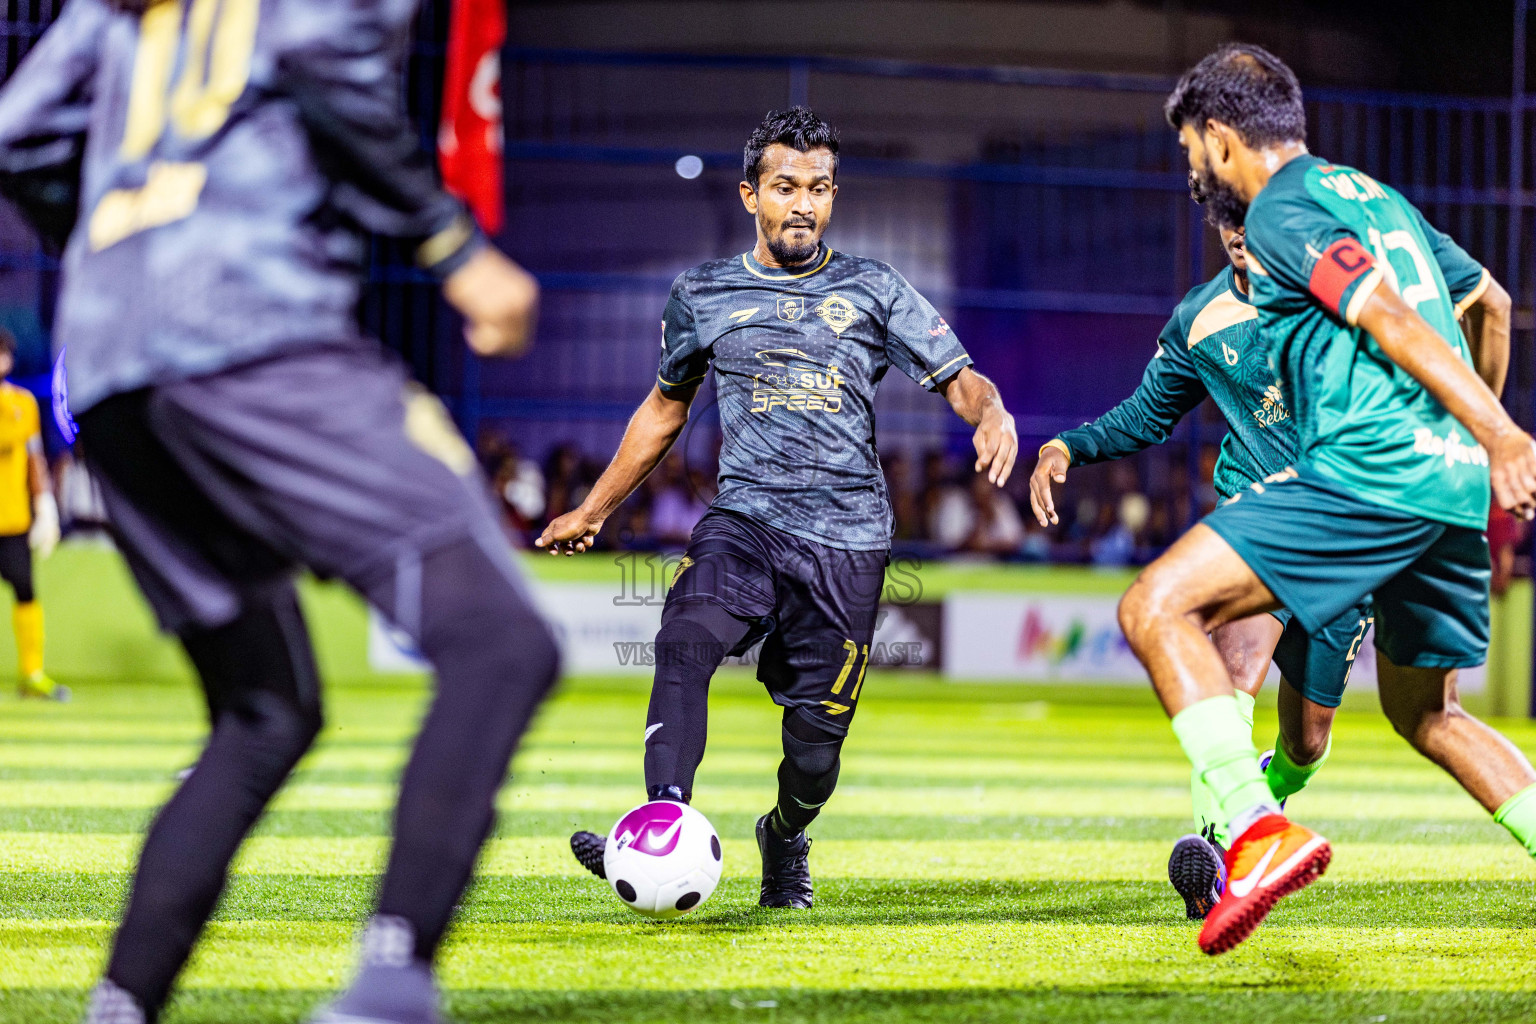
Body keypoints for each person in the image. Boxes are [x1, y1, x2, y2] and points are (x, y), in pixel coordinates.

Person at [0, 3, 560, 1023]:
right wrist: (453, 248)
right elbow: (314, 50)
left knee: (264, 712)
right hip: (252, 330)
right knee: (502, 642)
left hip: (113, 369)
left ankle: (119, 1009)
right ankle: (387, 994)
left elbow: (18, 130)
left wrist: (119, 255)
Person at [537, 106, 1017, 908]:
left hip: (848, 544)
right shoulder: (703, 294)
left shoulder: (873, 288)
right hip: (746, 522)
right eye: (787, 187)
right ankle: (664, 827)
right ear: (750, 194)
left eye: (820, 189)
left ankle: (784, 835)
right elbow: (664, 410)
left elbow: (961, 378)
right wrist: (593, 510)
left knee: (815, 756)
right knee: (684, 640)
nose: (804, 204)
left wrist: (993, 413)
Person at [1122, 42, 1536, 956]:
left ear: (1224, 139)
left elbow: (1383, 315)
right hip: (1448, 488)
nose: (1196, 175)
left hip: (1369, 471)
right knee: (1431, 715)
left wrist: (1503, 433)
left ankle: (1257, 831)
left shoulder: (1280, 209)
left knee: (1157, 605)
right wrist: (1473, 437)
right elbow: (1492, 304)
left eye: (1194, 153)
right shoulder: (1376, 196)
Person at [1027, 194, 1384, 920]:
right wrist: (1070, 444)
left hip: (1341, 535)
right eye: (1228, 226)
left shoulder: (1339, 299)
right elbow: (1146, 412)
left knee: (1308, 742)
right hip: (1255, 521)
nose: (1239, 238)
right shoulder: (1201, 316)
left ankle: (1269, 790)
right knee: (1228, 679)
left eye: (1252, 223)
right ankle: (1216, 853)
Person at [0, 329, 63, 699]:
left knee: (25, 589)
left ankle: (32, 673)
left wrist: (45, 505)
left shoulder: (24, 402)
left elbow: (34, 455)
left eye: (4, 353)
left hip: (13, 518)